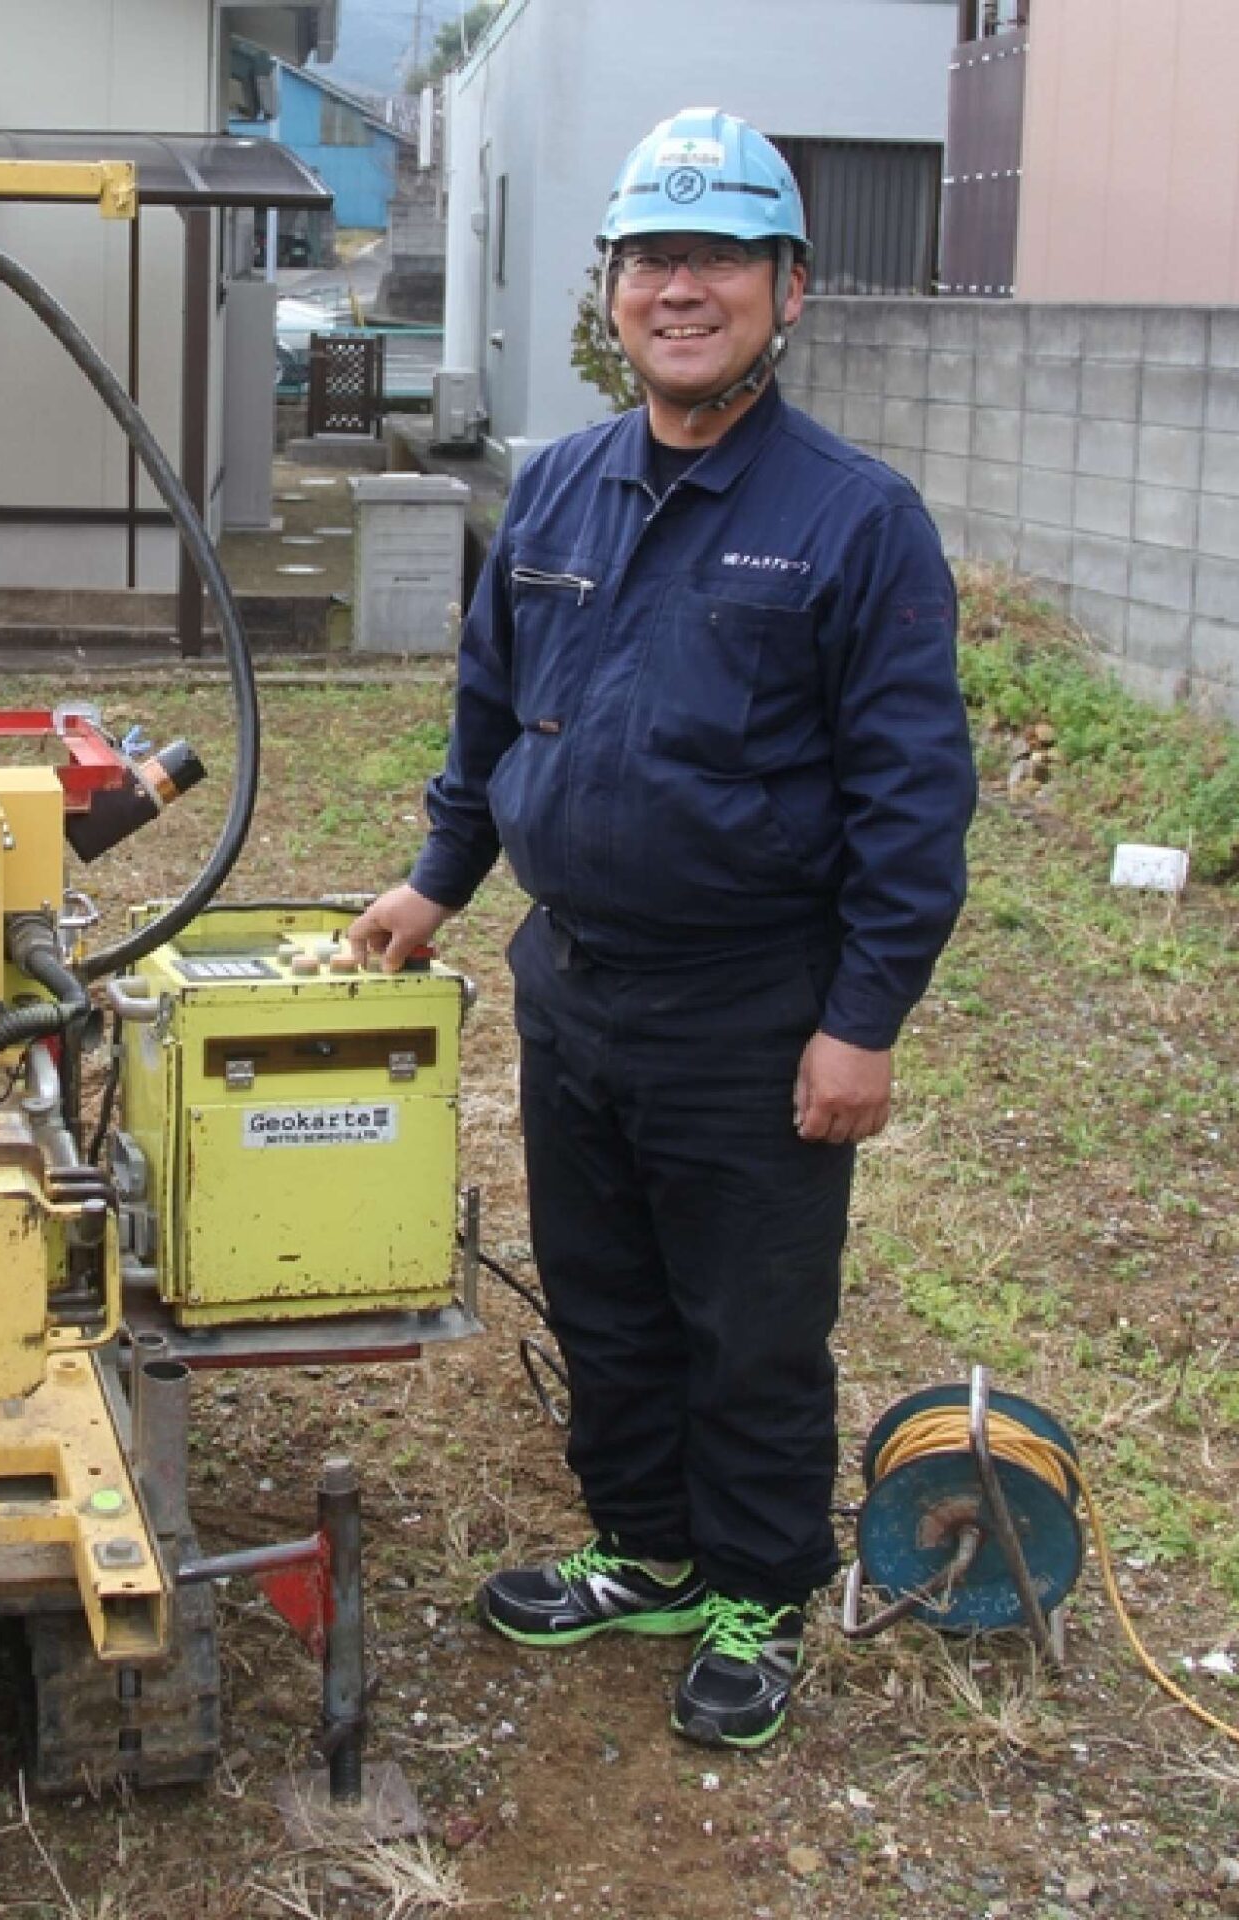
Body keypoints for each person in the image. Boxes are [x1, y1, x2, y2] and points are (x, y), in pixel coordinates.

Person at [346, 107, 976, 1750]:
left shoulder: (857, 520)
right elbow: (492, 712)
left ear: (789, 289)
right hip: (575, 984)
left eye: (718, 259)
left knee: (750, 1325)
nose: (679, 289)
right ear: (610, 291)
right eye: (649, 259)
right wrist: (437, 877)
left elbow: (914, 802)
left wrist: (863, 1021)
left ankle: (758, 1588)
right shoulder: (556, 491)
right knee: (604, 1294)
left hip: (753, 1006)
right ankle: (645, 1548)